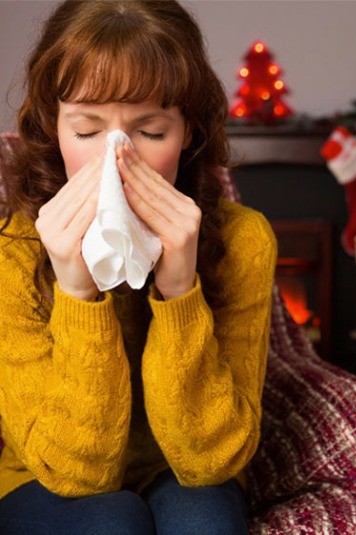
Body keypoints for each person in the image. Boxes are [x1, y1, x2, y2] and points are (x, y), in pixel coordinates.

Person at [0, 1, 277, 533]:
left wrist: (179, 290)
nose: (116, 162)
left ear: (189, 133)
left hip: (182, 467)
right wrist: (78, 293)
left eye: (150, 132)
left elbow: (212, 461)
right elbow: (77, 473)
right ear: (51, 129)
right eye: (87, 132)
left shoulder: (244, 242)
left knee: (204, 522)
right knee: (110, 521)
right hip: (45, 474)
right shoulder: (13, 252)